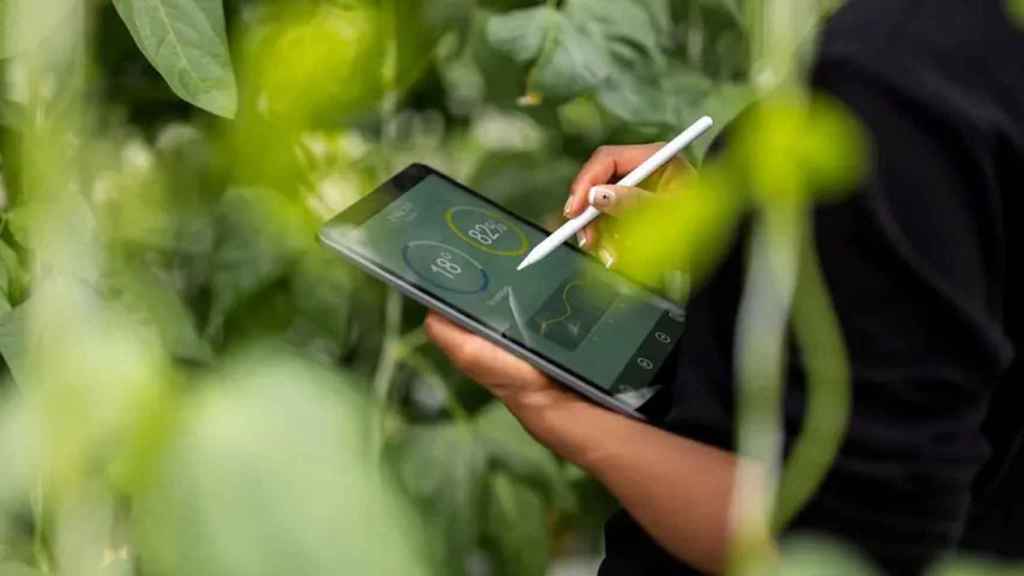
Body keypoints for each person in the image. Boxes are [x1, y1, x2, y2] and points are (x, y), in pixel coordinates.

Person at [426, 0, 1024, 573]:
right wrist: (742, 232)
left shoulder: (889, 74)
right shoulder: (975, 37)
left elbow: (839, 545)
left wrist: (549, 404)